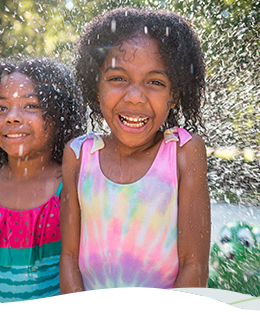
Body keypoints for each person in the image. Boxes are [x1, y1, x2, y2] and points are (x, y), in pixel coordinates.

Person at [60, 7, 211, 293]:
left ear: (174, 95)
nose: (135, 97)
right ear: (96, 87)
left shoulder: (182, 152)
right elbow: (68, 258)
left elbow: (195, 264)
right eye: (118, 78)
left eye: (155, 82)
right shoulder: (79, 155)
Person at [0, 57, 85, 302]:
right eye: (1, 108)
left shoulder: (72, 185)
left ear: (59, 115)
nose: (12, 117)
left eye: (31, 105)